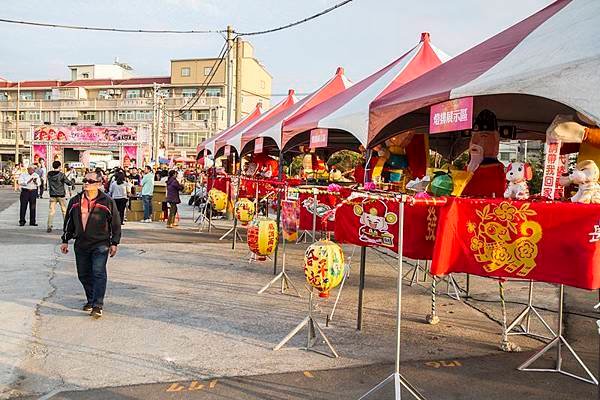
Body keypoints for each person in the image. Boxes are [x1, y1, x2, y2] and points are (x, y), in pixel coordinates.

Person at [61, 171, 121, 318]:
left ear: (99, 184)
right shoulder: (75, 201)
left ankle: (97, 304)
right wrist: (65, 239)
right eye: (85, 180)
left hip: (100, 243)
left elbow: (115, 223)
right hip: (81, 243)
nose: (86, 183)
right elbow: (69, 222)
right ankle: (91, 299)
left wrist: (114, 242)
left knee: (98, 272)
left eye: (90, 181)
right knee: (83, 274)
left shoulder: (107, 201)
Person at [47, 160, 73, 233]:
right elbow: (68, 182)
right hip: (61, 195)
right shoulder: (61, 175)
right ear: (59, 166)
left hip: (52, 195)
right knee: (64, 211)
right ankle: (66, 226)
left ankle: (49, 225)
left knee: (51, 211)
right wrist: (72, 182)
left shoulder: (49, 174)